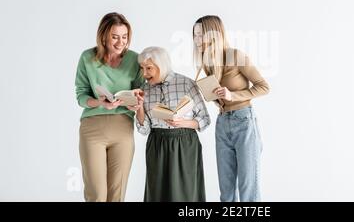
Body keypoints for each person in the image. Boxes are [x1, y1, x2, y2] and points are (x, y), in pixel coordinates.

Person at [192, 15, 270, 202]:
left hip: (244, 121)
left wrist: (232, 95)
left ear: (213, 35)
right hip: (223, 122)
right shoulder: (208, 62)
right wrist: (214, 96)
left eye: (200, 34)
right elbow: (221, 96)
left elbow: (263, 87)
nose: (196, 40)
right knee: (226, 191)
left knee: (247, 188)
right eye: (194, 35)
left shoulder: (236, 55)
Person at [75, 12, 143, 202]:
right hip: (92, 128)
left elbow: (141, 93)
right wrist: (100, 103)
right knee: (97, 194)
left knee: (116, 195)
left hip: (122, 129)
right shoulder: (87, 58)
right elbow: (81, 95)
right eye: (115, 37)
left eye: (124, 37)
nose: (121, 42)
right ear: (103, 36)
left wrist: (135, 104)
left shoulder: (135, 60)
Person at [135, 46, 210, 202]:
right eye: (142, 68)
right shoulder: (144, 89)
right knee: (157, 193)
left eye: (149, 68)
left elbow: (205, 119)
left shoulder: (186, 84)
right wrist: (139, 108)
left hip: (185, 143)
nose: (144, 73)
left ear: (161, 65)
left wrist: (183, 122)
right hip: (157, 143)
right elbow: (144, 129)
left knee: (186, 193)